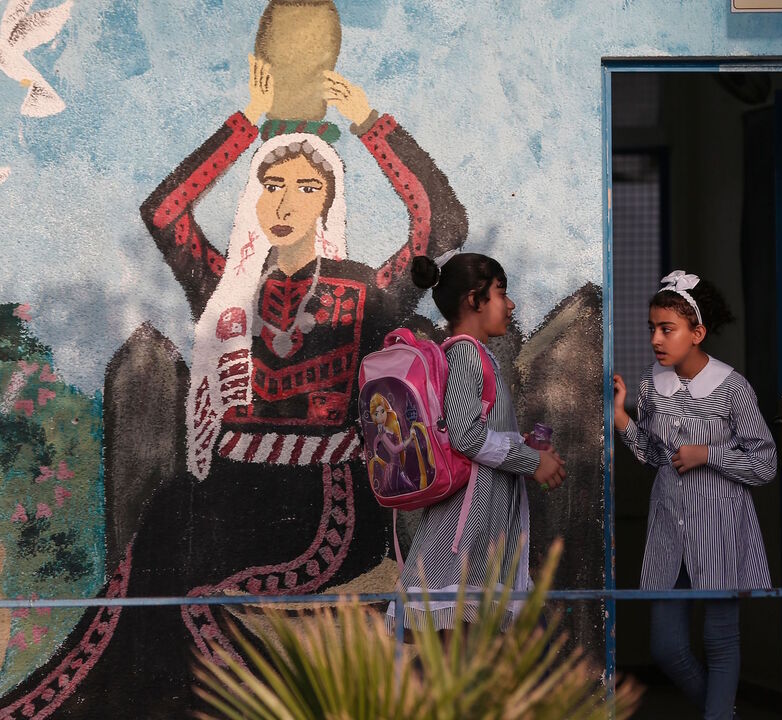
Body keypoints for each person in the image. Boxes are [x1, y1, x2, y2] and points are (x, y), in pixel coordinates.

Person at [0, 56, 468, 718]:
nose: (283, 200)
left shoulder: (364, 290)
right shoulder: (227, 288)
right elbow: (164, 212)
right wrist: (244, 120)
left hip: (322, 501)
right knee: (161, 535)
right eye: (271, 184)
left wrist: (369, 122)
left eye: (304, 188)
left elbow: (439, 226)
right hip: (235, 484)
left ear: (326, 201)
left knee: (200, 591)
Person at [611, 270, 777, 720]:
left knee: (721, 643)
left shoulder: (732, 388)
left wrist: (710, 454)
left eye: (668, 329)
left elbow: (764, 464)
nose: (656, 340)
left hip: (720, 527)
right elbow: (651, 455)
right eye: (652, 329)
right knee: (666, 648)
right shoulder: (650, 386)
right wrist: (623, 420)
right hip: (668, 530)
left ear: (697, 333)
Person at [387, 253, 567, 632]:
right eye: (502, 292)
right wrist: (532, 462)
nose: (510, 304)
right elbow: (466, 434)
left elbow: (480, 427)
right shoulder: (467, 353)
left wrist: (525, 446)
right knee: (463, 643)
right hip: (468, 526)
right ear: (475, 299)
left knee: (472, 644)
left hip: (481, 520)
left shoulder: (476, 354)